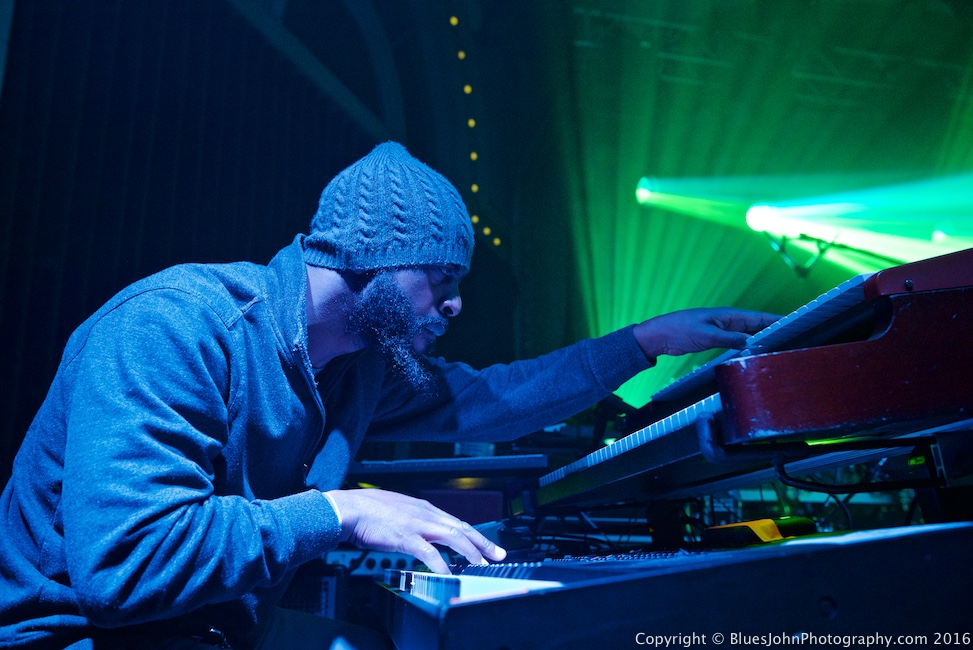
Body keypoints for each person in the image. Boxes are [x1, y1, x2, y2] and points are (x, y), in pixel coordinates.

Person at [0, 142, 777, 649]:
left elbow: (493, 400)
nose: (454, 305)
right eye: (441, 278)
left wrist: (644, 341)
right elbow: (125, 565)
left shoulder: (359, 363)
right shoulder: (173, 328)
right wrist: (346, 511)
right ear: (371, 260)